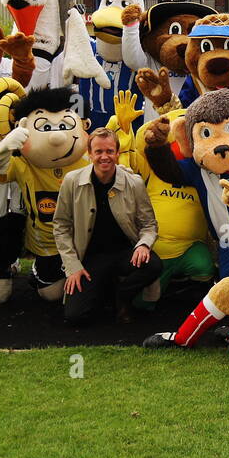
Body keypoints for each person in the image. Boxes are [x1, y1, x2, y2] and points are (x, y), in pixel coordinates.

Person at [52, 128, 163, 325]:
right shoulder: (71, 181)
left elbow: (149, 224)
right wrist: (73, 267)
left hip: (124, 254)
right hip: (90, 258)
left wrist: (144, 245)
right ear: (89, 153)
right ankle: (105, 288)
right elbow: (61, 226)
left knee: (153, 264)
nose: (105, 157)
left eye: (110, 151)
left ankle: (122, 296)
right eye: (99, 152)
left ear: (117, 153)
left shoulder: (134, 183)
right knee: (75, 316)